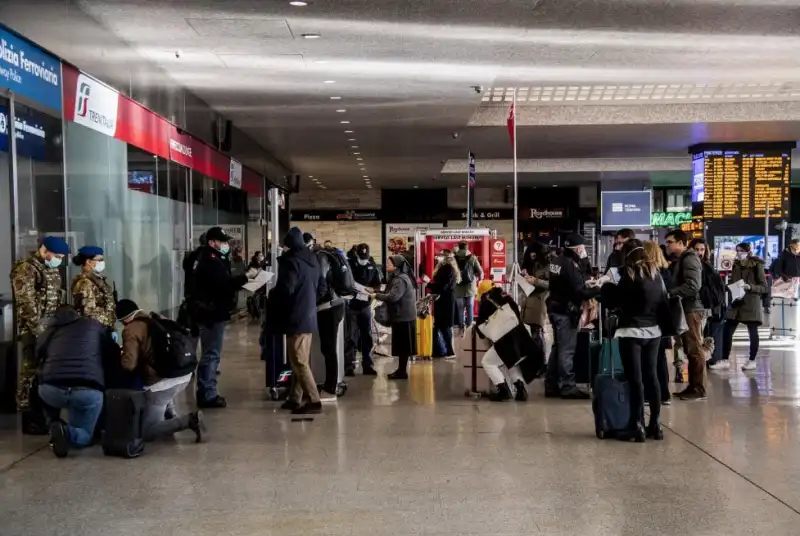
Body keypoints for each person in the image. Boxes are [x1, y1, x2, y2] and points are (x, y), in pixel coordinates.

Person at [599, 239, 665, 442]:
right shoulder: (655, 275)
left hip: (631, 332)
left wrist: (606, 286)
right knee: (651, 377)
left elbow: (613, 301)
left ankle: (637, 425)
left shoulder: (628, 276)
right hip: (653, 332)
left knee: (635, 380)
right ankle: (656, 424)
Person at [188, 226, 257, 408]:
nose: (226, 244)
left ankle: (206, 390)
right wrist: (246, 276)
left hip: (204, 311)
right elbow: (224, 284)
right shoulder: (211, 260)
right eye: (222, 241)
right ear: (212, 242)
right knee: (211, 354)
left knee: (209, 353)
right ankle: (208, 394)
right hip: (211, 313)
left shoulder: (201, 257)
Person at [36, 305, 119, 457]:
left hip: (51, 390)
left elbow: (37, 355)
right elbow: (111, 349)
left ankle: (53, 424)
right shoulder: (93, 325)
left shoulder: (48, 332)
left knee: (42, 388)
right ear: (76, 314)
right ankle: (68, 432)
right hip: (87, 390)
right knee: (84, 436)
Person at [116, 299, 203, 442]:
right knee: (166, 393)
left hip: (162, 384)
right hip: (184, 374)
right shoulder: (156, 318)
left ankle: (191, 420)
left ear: (125, 319)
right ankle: (171, 416)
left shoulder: (131, 329)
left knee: (148, 431)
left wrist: (120, 356)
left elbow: (129, 365)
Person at [11, 235, 70, 435]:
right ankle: (30, 417)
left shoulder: (50, 269)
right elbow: (26, 303)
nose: (59, 260)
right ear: (44, 250)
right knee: (30, 373)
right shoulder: (27, 269)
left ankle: (45, 415)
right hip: (34, 331)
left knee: (45, 372)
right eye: (57, 255)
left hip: (50, 329)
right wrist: (40, 331)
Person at [266, 227, 325, 414]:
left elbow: (286, 289)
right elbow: (321, 286)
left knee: (299, 360)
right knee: (298, 359)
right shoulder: (313, 259)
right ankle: (294, 398)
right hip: (308, 314)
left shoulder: (291, 262)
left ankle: (314, 400)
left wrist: (272, 294)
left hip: (295, 317)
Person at [545, 233, 600, 399]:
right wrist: (599, 289)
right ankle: (568, 387)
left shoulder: (557, 261)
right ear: (577, 249)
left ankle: (551, 384)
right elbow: (579, 292)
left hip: (554, 307)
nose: (584, 251)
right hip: (565, 311)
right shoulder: (570, 264)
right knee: (567, 350)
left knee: (558, 347)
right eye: (582, 248)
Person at [664, 229, 706, 401]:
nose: (667, 245)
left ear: (680, 243)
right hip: (687, 308)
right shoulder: (683, 259)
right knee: (689, 347)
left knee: (694, 348)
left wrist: (671, 293)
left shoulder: (689, 259)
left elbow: (693, 286)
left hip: (692, 309)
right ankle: (693, 386)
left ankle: (698, 388)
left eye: (670, 242)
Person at [308, 232, 350, 400]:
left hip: (329, 307)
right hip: (334, 305)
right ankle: (331, 383)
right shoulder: (327, 257)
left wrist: (311, 301)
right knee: (328, 347)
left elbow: (322, 286)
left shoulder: (320, 259)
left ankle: (330, 387)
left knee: (328, 347)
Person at [477, 287, 537, 402]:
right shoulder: (508, 297)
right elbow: (517, 315)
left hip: (505, 340)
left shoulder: (485, 302)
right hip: (520, 337)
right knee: (510, 360)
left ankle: (503, 390)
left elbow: (481, 327)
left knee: (487, 362)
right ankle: (521, 390)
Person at [367, 255, 417, 380]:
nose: (387, 265)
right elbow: (388, 291)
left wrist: (375, 296)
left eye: (390, 263)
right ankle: (401, 370)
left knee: (403, 347)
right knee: (402, 346)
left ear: (397, 265)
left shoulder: (400, 279)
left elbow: (393, 296)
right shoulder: (397, 277)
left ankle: (402, 372)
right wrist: (374, 290)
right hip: (402, 316)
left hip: (403, 317)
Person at [718, 243, 766, 372]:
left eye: (742, 251)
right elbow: (734, 282)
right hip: (736, 301)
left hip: (751, 302)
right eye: (738, 250)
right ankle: (724, 359)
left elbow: (764, 287)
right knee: (727, 329)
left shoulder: (757, 265)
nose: (739, 253)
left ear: (748, 251)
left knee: (753, 331)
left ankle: (752, 360)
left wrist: (750, 287)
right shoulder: (735, 264)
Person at [643, 241, 672, 406]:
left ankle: (652, 394)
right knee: (659, 358)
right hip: (663, 321)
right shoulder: (666, 272)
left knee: (652, 359)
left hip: (653, 321)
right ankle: (663, 393)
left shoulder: (651, 274)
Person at [345, 243, 381, 375]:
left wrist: (373, 289)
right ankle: (349, 366)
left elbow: (377, 283)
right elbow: (347, 283)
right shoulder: (350, 265)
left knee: (367, 336)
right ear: (356, 254)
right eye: (361, 256)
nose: (363, 259)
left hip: (365, 305)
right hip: (352, 306)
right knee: (351, 337)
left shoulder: (372, 266)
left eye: (365, 256)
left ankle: (368, 365)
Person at [71, 246, 116, 328]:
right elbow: (88, 312)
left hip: (101, 327)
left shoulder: (98, 279)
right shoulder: (85, 283)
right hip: (93, 329)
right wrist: (107, 323)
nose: (102, 262)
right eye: (99, 260)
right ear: (88, 261)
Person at [520, 242, 552, 358]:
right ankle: (535, 361)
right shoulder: (532, 265)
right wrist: (525, 276)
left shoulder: (549, 265)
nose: (532, 258)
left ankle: (541, 362)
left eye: (534, 256)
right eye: (530, 256)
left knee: (538, 333)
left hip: (540, 302)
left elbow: (552, 284)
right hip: (528, 303)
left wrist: (536, 281)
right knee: (532, 333)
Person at [428, 249, 460, 358]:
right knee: (439, 327)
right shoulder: (449, 268)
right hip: (445, 300)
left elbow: (442, 285)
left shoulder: (447, 268)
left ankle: (449, 351)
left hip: (444, 302)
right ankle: (439, 350)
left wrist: (429, 284)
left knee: (444, 326)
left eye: (440, 255)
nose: (438, 257)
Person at [454, 241, 484, 328]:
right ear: (467, 247)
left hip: (458, 287)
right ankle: (469, 325)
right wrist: (478, 278)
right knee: (470, 306)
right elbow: (480, 272)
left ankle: (461, 325)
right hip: (470, 287)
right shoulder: (472, 258)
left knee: (460, 307)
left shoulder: (454, 259)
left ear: (459, 247)